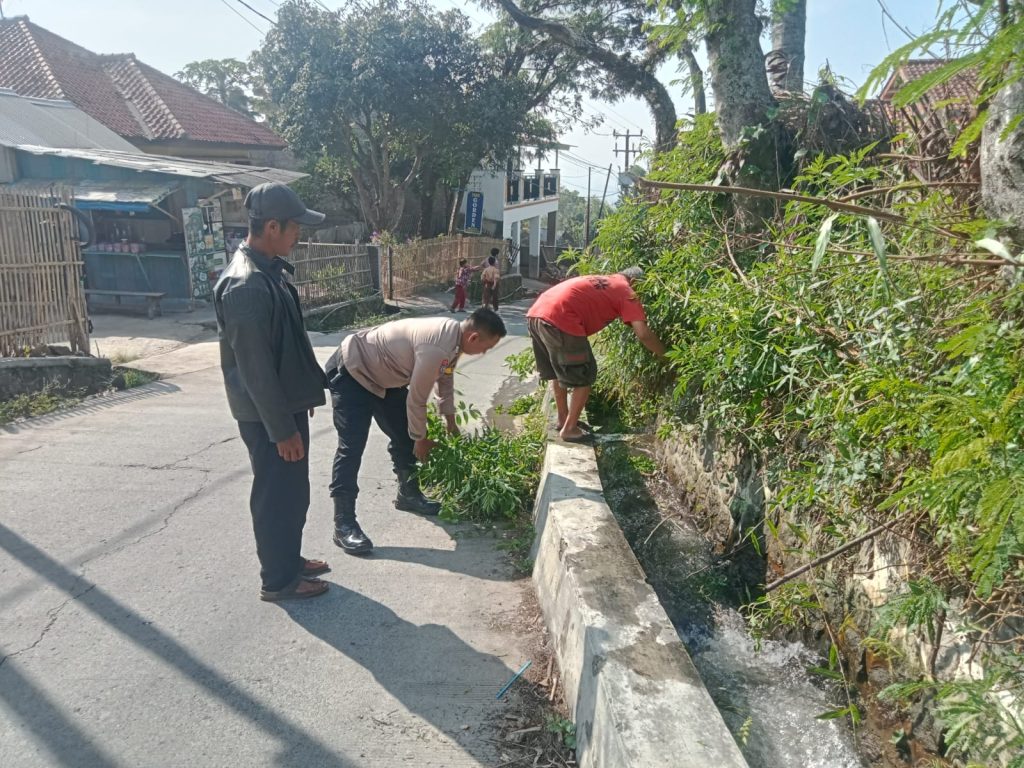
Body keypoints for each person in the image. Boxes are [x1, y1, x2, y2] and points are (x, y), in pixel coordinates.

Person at [214, 182, 330, 602]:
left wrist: (304, 395)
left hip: (283, 406)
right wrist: (282, 429)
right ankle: (277, 580)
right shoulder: (246, 285)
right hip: (266, 416)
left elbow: (288, 345)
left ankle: (289, 559)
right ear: (273, 226)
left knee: (294, 490)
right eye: (296, 227)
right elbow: (256, 369)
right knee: (276, 494)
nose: (300, 234)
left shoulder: (269, 271)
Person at [325, 308, 507, 555]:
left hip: (385, 377)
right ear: (473, 337)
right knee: (352, 446)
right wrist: (420, 440)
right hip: (352, 370)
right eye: (487, 347)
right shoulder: (438, 345)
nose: (484, 353)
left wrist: (451, 423)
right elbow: (417, 400)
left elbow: (445, 381)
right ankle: (344, 523)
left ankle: (408, 494)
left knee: (404, 434)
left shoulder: (453, 341)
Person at [526, 267, 666, 442]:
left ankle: (563, 419)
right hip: (561, 319)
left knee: (557, 371)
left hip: (536, 314)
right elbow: (643, 334)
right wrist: (666, 356)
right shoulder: (627, 291)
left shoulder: (605, 280)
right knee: (585, 376)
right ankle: (569, 429)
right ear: (636, 282)